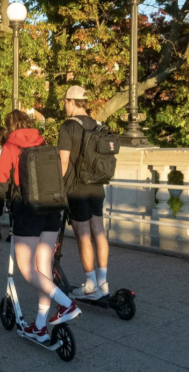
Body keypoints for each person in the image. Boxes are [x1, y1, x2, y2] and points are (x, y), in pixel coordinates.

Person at [0, 110, 80, 343]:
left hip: (27, 210)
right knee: (44, 269)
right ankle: (40, 326)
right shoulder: (44, 144)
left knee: (28, 270)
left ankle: (66, 304)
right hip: (51, 211)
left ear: (10, 126)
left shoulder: (11, 147)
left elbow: (1, 182)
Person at [58, 86, 110, 300]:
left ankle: (89, 284)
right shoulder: (99, 126)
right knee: (99, 231)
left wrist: (58, 188)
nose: (64, 105)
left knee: (83, 235)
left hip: (77, 187)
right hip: (97, 185)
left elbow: (63, 161)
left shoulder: (68, 126)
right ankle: (103, 282)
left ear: (71, 102)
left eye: (65, 101)